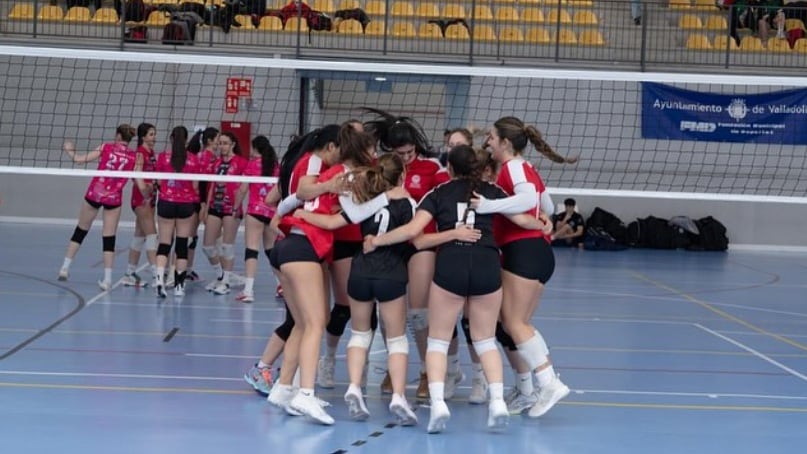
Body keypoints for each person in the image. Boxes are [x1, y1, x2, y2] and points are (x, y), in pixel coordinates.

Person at [364, 144, 547, 434]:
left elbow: (414, 234)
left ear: (449, 168)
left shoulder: (437, 194)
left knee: (437, 341)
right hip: (487, 264)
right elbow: (523, 217)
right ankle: (498, 401)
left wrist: (377, 241)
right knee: (485, 339)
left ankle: (438, 405)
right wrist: (544, 224)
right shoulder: (492, 191)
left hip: (451, 265)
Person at [294, 153, 419, 426]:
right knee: (396, 339)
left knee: (360, 334)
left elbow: (329, 222)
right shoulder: (409, 202)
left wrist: (302, 213)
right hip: (391, 273)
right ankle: (398, 395)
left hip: (360, 271)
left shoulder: (363, 201)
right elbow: (414, 235)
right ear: (401, 177)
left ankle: (353, 385)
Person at [473, 116, 576, 418]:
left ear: (505, 143)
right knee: (518, 325)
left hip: (523, 251)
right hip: (537, 252)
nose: (488, 141)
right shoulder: (528, 168)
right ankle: (529, 389)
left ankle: (548, 382)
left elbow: (529, 198)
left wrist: (489, 206)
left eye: (492, 137)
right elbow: (548, 206)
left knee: (514, 324)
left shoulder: (513, 166)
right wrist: (543, 220)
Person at [363, 107, 453, 400]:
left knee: (417, 314)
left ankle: (428, 373)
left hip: (419, 245)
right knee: (390, 315)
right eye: (400, 153)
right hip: (388, 245)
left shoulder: (432, 169)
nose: (406, 158)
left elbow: (448, 200)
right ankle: (395, 367)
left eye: (410, 152)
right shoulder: (380, 167)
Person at [59, 124, 139, 290]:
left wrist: (69, 150)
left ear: (117, 135)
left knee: (80, 231)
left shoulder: (106, 147)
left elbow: (79, 160)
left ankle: (65, 268)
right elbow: (139, 180)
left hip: (95, 193)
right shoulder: (135, 157)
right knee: (109, 239)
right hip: (113, 198)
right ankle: (108, 280)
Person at [153, 126, 200, 298]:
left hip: (166, 202)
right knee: (181, 246)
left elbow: (157, 180)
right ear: (186, 140)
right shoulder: (194, 160)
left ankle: (159, 280)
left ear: (172, 139)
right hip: (185, 205)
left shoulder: (163, 157)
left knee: (164, 244)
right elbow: (195, 186)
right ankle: (179, 286)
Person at [201, 132, 248, 295]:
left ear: (233, 144)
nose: (222, 146)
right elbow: (212, 185)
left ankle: (226, 281)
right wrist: (206, 208)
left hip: (231, 209)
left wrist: (237, 206)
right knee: (207, 246)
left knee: (227, 246)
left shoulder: (241, 163)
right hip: (215, 206)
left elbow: (244, 187)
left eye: (225, 143)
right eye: (220, 143)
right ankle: (221, 275)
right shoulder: (216, 163)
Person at [235, 135, 280, 303]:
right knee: (270, 251)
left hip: (255, 211)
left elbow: (242, 189)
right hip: (271, 212)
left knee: (251, 250)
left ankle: (248, 291)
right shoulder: (276, 166)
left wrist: (235, 207)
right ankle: (281, 285)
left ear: (255, 149)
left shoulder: (252, 165)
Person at [122, 123, 159, 288]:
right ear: (143, 137)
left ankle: (129, 274)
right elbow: (136, 176)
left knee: (139, 236)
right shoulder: (140, 153)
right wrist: (145, 189)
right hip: (141, 200)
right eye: (151, 134)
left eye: (154, 134)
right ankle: (156, 274)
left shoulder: (151, 153)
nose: (154, 137)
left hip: (151, 198)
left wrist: (155, 185)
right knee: (152, 235)